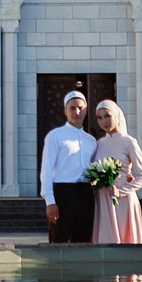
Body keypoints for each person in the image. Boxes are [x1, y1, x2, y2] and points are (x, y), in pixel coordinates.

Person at [39, 90, 96, 243]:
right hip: (63, 194)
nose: (76, 112)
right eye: (72, 108)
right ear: (65, 110)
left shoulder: (91, 140)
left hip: (86, 194)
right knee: (59, 240)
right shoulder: (56, 136)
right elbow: (46, 169)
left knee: (83, 240)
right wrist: (50, 201)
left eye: (80, 108)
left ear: (86, 110)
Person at [89, 101, 142, 245]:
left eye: (107, 116)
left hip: (123, 201)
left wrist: (120, 191)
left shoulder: (129, 142)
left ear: (116, 116)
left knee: (124, 241)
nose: (104, 121)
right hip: (102, 199)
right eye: (99, 117)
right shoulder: (99, 144)